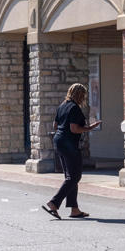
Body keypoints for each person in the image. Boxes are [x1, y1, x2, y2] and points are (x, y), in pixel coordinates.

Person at [42, 82, 98, 219]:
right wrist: (89, 128)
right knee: (74, 176)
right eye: (83, 95)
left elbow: (55, 125)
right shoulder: (74, 108)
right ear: (80, 95)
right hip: (69, 144)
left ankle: (75, 210)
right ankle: (54, 203)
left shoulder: (62, 106)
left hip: (59, 141)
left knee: (70, 177)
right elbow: (74, 129)